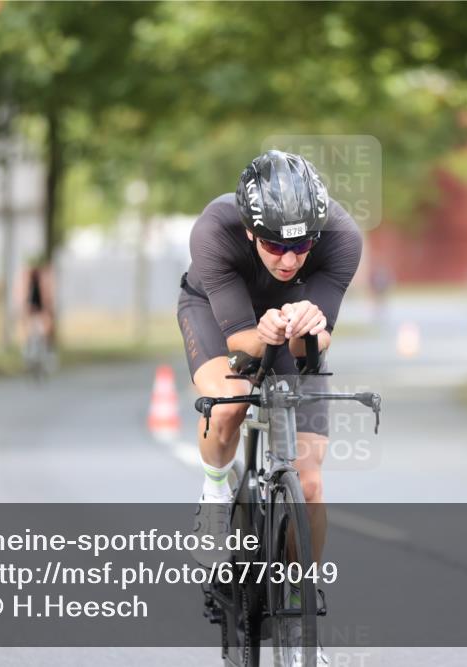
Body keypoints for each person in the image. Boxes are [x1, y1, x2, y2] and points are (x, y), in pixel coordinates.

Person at [178, 150, 362, 665]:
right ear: (251, 232)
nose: (289, 259)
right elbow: (241, 345)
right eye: (276, 244)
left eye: (301, 245)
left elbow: (312, 353)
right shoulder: (214, 230)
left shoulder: (343, 237)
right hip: (222, 316)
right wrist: (263, 334)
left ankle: (302, 617)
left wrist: (310, 328)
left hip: (294, 327)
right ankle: (216, 494)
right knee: (232, 402)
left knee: (309, 483)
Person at [15, 256, 56, 353]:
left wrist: (48, 308)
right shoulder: (26, 277)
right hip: (31, 305)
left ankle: (47, 348)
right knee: (28, 328)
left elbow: (47, 295)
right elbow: (21, 293)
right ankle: (29, 347)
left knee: (45, 328)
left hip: (41, 306)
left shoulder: (44, 276)